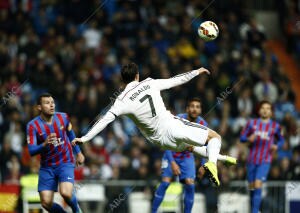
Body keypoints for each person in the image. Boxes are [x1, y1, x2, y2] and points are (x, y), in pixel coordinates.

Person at [73, 62, 223, 186]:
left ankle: (220, 158)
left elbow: (104, 120)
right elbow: (174, 80)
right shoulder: (150, 83)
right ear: (137, 76)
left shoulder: (121, 101)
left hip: (161, 142)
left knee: (191, 147)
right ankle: (213, 163)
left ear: (123, 80)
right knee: (215, 137)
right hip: (171, 126)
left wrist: (85, 138)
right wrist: (196, 72)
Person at [152, 97, 237, 213]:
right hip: (171, 154)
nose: (194, 109)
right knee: (165, 182)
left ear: (200, 110)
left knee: (190, 185)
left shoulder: (203, 123)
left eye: (197, 107)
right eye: (192, 106)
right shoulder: (177, 119)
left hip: (187, 157)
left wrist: (203, 165)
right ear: (187, 109)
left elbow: (207, 147)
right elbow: (166, 142)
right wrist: (172, 163)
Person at [27, 93, 84, 213]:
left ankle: (76, 209)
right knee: (46, 203)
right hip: (47, 167)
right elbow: (31, 151)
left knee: (66, 193)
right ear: (39, 107)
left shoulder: (63, 117)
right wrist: (44, 144)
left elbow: (70, 133)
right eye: (47, 103)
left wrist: (78, 153)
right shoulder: (32, 126)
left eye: (52, 102)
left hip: (65, 162)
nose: (51, 105)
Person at [240, 100, 284, 213]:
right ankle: (254, 209)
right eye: (263, 108)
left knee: (258, 183)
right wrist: (248, 139)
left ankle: (255, 211)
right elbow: (242, 137)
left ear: (271, 112)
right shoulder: (251, 123)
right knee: (252, 188)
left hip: (265, 160)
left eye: (268, 108)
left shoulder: (275, 126)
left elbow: (282, 140)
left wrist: (276, 146)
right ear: (259, 110)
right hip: (251, 160)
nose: (265, 110)